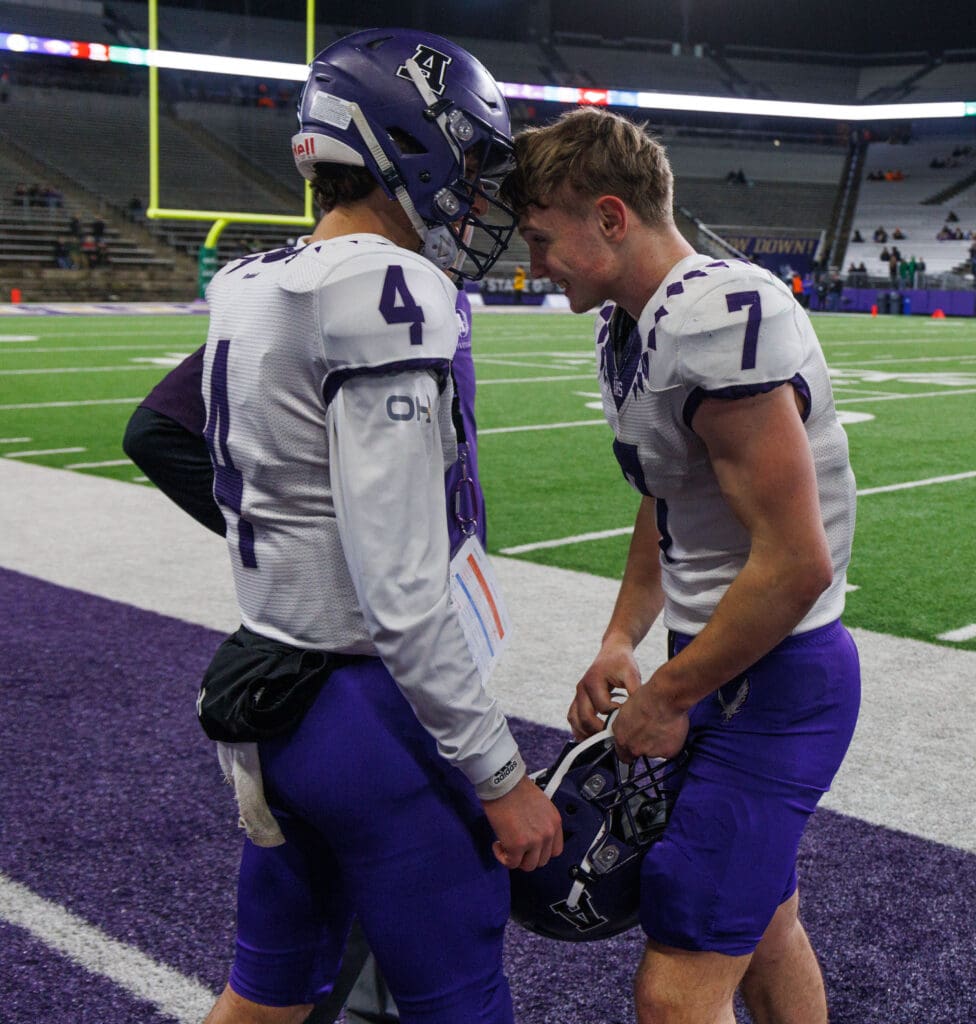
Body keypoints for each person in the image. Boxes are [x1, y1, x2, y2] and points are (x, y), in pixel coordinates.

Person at [128, 29, 561, 1024]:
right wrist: (499, 773)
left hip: (276, 697)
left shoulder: (254, 282)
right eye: (472, 158)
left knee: (264, 998)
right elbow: (403, 592)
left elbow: (182, 441)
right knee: (460, 1001)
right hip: (370, 718)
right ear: (413, 143)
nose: (480, 190)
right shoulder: (391, 288)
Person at [501, 107, 859, 1024]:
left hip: (773, 681)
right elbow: (665, 499)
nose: (534, 263)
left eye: (545, 238)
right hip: (721, 661)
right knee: (766, 929)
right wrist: (622, 637)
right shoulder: (634, 323)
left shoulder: (713, 319)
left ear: (611, 218)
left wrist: (670, 693)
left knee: (676, 989)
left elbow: (795, 564)